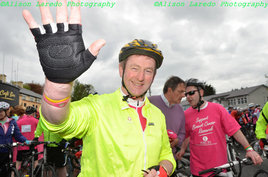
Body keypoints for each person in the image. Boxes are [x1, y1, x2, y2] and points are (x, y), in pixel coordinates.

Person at [22, 1, 176, 176]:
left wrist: (162, 171)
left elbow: (167, 155)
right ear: (121, 70)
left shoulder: (158, 115)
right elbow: (58, 122)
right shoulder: (97, 107)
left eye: (148, 71)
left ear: (154, 76)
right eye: (134, 68)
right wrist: (57, 85)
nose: (141, 77)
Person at [176, 78, 262, 177]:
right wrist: (182, 150)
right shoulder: (186, 114)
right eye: (186, 94)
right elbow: (187, 134)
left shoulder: (218, 109)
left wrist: (249, 149)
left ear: (201, 92)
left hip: (219, 168)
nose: (188, 97)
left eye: (191, 93)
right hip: (198, 170)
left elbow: (235, 131)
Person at [148, 76, 186, 159]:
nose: (183, 95)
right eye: (180, 92)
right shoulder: (149, 102)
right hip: (149, 159)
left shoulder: (180, 109)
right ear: (169, 90)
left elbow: (182, 132)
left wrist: (177, 141)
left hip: (170, 159)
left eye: (184, 92)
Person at [0, 101, 27, 176]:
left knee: (7, 172)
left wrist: (26, 141)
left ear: (6, 111)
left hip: (7, 152)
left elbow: (18, 135)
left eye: (1, 111)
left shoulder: (12, 122)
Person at [16, 106, 39, 172]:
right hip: (32, 145)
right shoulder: (36, 121)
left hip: (21, 146)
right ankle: (35, 173)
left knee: (18, 163)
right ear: (33, 113)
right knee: (35, 162)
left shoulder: (19, 121)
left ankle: (13, 174)